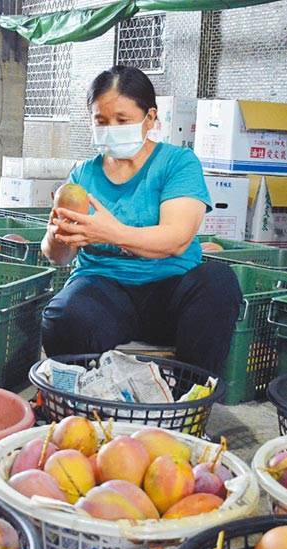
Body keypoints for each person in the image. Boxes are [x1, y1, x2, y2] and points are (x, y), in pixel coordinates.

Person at [40, 65, 241, 374]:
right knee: (62, 317)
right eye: (101, 120)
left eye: (122, 120)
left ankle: (189, 398)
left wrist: (111, 233)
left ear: (150, 118)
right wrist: (57, 234)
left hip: (172, 291)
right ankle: (86, 399)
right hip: (105, 289)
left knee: (218, 282)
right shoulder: (83, 174)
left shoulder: (177, 163)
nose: (110, 128)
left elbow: (177, 239)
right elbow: (60, 257)